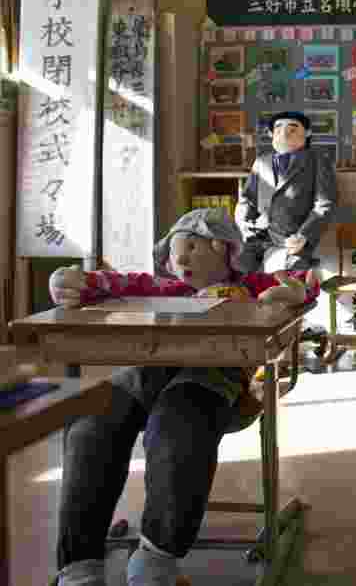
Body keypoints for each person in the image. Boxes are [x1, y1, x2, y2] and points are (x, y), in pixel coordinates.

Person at [48, 208, 318, 586]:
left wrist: (293, 290)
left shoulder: (250, 284)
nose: (183, 258)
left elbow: (305, 280)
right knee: (90, 422)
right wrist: (72, 282)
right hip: (146, 374)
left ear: (225, 251)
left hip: (214, 383)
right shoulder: (162, 288)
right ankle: (79, 566)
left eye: (194, 247)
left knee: (178, 422)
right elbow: (109, 284)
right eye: (177, 250)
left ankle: (156, 558)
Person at [237, 111, 337, 273]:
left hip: (292, 240)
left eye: (293, 129)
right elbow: (247, 200)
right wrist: (245, 226)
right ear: (270, 134)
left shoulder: (317, 160)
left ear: (308, 132)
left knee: (293, 275)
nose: (284, 133)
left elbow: (324, 204)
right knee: (237, 266)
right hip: (258, 237)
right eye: (278, 128)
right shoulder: (262, 161)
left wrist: (304, 235)